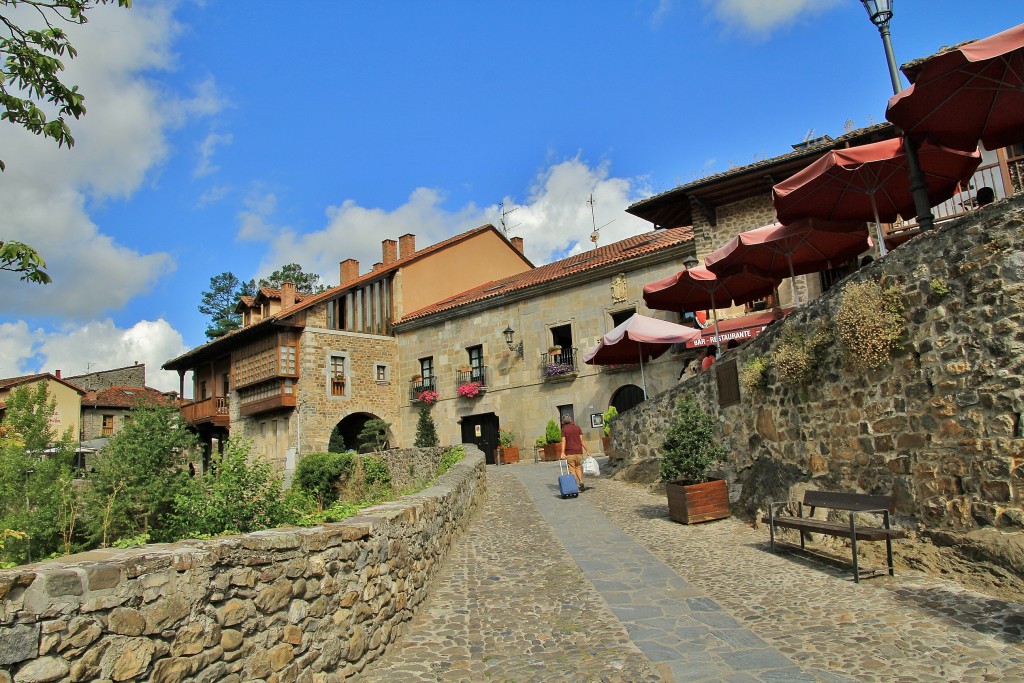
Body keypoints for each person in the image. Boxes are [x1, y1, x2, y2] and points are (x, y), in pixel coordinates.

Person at [560, 414, 590, 491]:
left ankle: (574, 484)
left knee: (572, 469)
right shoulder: (577, 428)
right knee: (578, 467)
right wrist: (587, 450)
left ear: (563, 422)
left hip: (570, 452)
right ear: (571, 420)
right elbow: (582, 440)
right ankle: (581, 481)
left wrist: (562, 452)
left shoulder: (564, 430)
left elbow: (564, 441)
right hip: (579, 451)